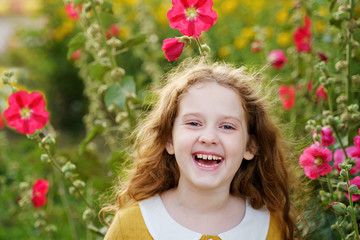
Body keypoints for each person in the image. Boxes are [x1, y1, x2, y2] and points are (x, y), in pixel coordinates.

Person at [103, 59, 298, 239]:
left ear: (250, 146)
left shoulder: (271, 227)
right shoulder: (130, 225)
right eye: (194, 123)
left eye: (227, 126)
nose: (209, 138)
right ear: (169, 139)